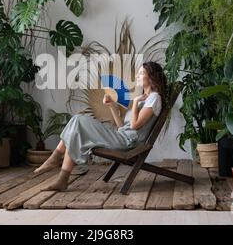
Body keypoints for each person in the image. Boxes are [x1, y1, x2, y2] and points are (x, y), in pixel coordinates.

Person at [34, 61, 167, 191]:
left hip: (128, 142)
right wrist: (112, 106)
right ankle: (62, 178)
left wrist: (136, 102)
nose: (137, 76)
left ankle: (55, 159)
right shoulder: (146, 98)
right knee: (76, 130)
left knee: (78, 120)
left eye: (141, 73)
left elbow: (134, 125)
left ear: (151, 77)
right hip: (122, 136)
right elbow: (122, 126)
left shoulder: (154, 98)